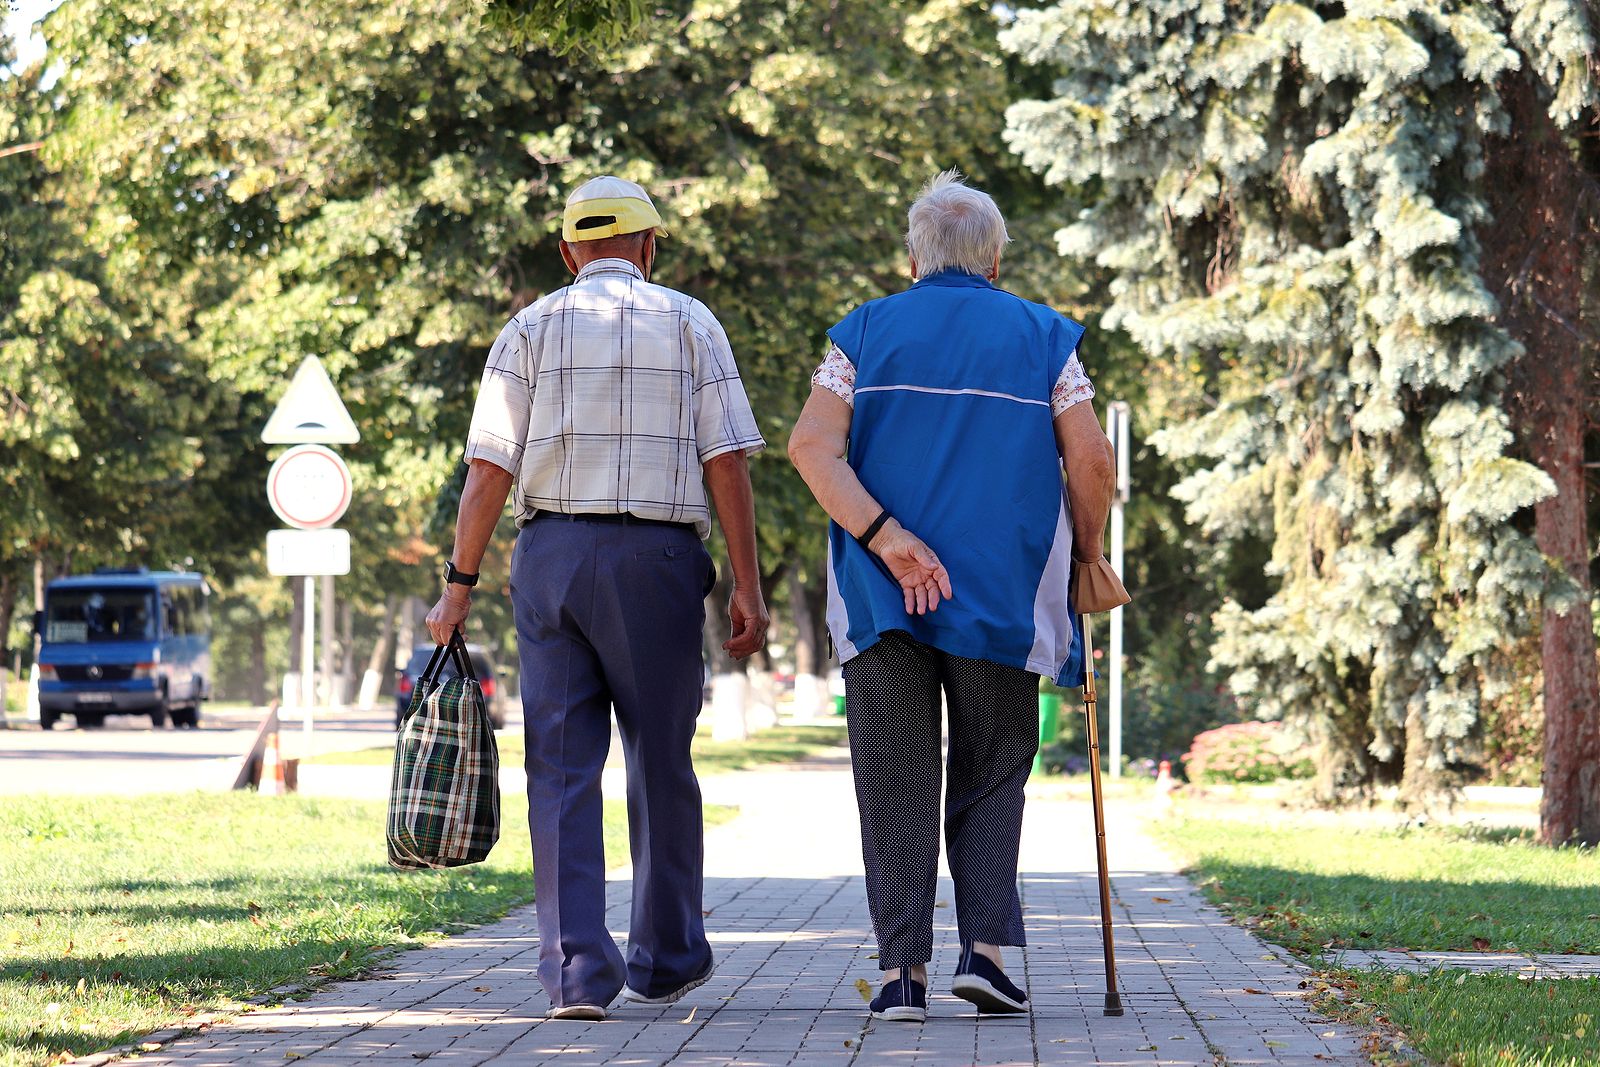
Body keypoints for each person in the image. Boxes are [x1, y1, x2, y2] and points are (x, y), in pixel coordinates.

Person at [787, 170, 1127, 1022]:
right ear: (996, 261)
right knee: (993, 768)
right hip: (1002, 594)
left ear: (914, 259)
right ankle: (987, 956)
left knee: (894, 778)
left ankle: (901, 974)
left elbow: (811, 447)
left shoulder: (862, 334)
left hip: (880, 593)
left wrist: (885, 536)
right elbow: (1091, 460)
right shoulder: (1044, 337)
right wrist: (1088, 552)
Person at [427, 175, 769, 1021]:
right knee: (660, 758)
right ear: (648, 247)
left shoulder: (526, 329)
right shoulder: (691, 321)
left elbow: (488, 471)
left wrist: (457, 587)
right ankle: (666, 956)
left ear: (568, 252)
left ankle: (576, 973)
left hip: (550, 557)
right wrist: (748, 584)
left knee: (560, 766)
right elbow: (727, 459)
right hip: (657, 558)